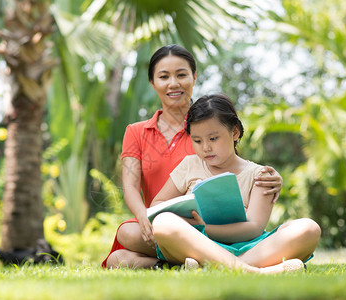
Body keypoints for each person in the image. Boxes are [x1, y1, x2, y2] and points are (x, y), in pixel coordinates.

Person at [103, 45, 283, 269]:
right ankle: (186, 264)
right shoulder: (136, 131)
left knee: (130, 255)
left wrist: (273, 178)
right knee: (125, 237)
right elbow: (130, 186)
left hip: (218, 225)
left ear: (194, 77)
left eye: (181, 75)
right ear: (152, 83)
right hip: (162, 221)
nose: (173, 83)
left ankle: (206, 261)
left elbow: (234, 165)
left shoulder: (207, 124)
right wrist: (143, 217)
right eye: (163, 76)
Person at [150, 94, 321, 273]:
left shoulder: (260, 175)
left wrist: (204, 227)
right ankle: (254, 271)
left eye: (213, 138)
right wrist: (187, 221)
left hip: (251, 248)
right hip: (199, 244)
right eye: (197, 141)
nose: (205, 147)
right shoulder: (189, 165)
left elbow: (254, 228)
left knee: (309, 228)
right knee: (163, 222)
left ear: (235, 132)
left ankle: (218, 267)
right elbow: (157, 205)